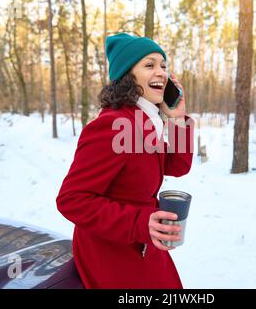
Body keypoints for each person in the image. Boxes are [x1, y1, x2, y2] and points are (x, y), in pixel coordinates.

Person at [56, 33, 194, 289]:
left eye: (163, 66)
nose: (162, 72)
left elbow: (178, 166)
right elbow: (71, 200)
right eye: (149, 65)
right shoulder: (112, 125)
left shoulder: (143, 121)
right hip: (112, 252)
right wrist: (141, 222)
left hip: (143, 242)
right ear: (128, 76)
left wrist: (176, 119)